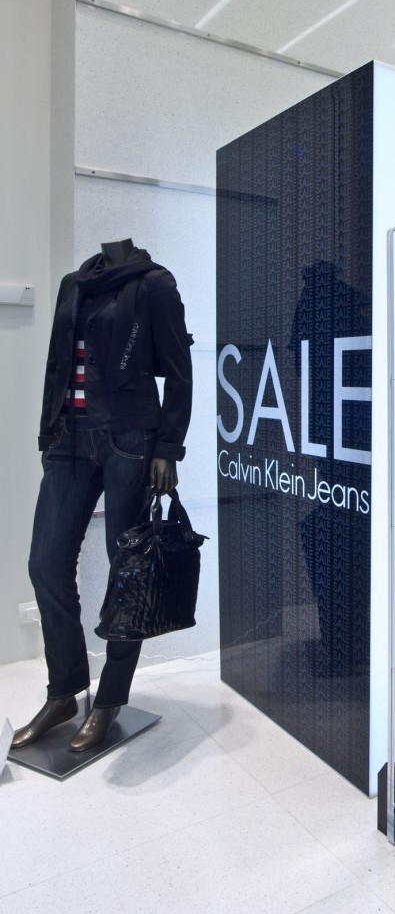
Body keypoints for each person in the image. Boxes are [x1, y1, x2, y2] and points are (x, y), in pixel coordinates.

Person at [11, 239, 193, 753]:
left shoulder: (153, 283)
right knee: (46, 564)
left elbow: (180, 370)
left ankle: (110, 699)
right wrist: (46, 435)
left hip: (130, 439)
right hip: (69, 438)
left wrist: (168, 449)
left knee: (127, 569)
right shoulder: (74, 284)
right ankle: (64, 692)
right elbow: (57, 365)